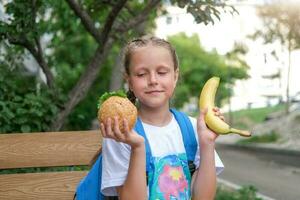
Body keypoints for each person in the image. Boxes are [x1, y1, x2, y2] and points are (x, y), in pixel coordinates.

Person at [100, 36, 224, 200]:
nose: (153, 80)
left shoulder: (194, 129)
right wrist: (137, 147)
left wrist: (207, 144)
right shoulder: (120, 134)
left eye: (162, 72)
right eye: (142, 74)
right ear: (129, 81)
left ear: (175, 76)